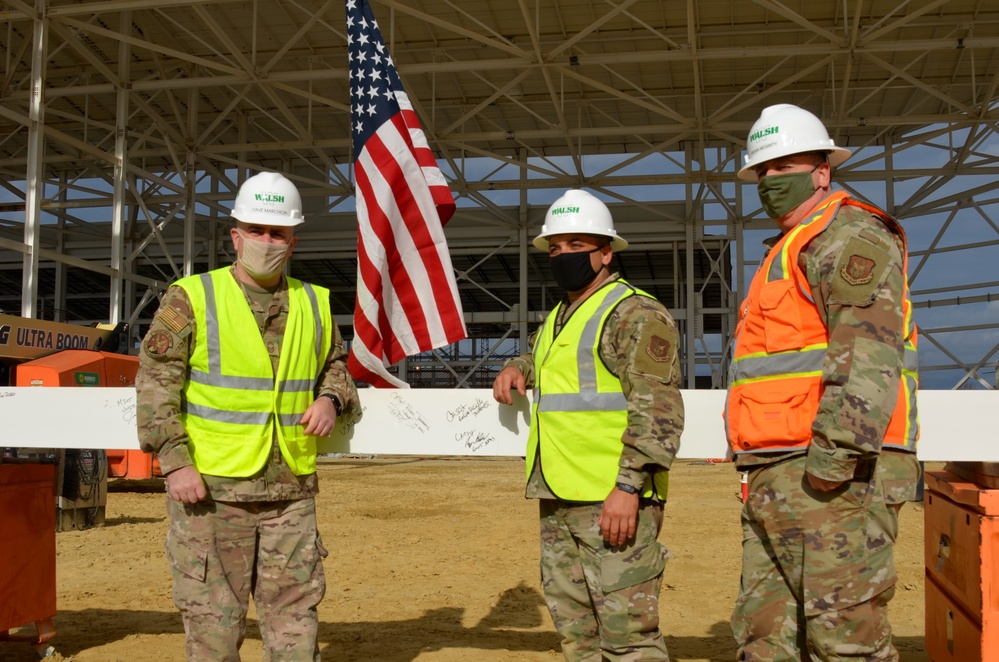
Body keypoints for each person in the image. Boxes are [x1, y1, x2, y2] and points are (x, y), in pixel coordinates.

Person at [136, 171, 358, 661]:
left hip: (290, 495)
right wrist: (175, 462)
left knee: (295, 624)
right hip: (212, 492)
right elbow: (156, 384)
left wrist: (331, 399)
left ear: (292, 241)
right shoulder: (192, 297)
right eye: (255, 231)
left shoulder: (316, 303)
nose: (266, 241)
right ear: (235, 236)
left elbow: (336, 367)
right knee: (214, 627)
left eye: (277, 233)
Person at [726, 104, 920, 660]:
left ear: (822, 170)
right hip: (781, 470)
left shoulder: (848, 236)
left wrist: (833, 463)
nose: (770, 180)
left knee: (844, 640)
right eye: (762, 171)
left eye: (785, 166)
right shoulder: (794, 246)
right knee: (767, 636)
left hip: (833, 474)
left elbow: (867, 356)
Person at [492, 189, 684, 661]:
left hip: (612, 500)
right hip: (559, 497)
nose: (562, 256)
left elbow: (658, 409)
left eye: (576, 245)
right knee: (578, 636)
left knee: (628, 638)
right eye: (555, 248)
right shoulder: (559, 316)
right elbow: (545, 357)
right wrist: (518, 366)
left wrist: (628, 486)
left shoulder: (634, 312)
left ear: (605, 252)